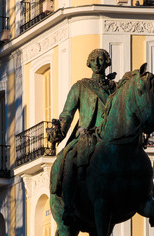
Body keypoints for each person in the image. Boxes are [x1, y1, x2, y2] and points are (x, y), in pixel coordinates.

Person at [48, 49, 117, 210]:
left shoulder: (116, 88)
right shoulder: (81, 86)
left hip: (112, 136)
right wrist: (59, 132)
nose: (97, 62)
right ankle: (68, 206)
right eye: (94, 59)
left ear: (107, 62)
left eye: (101, 59)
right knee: (69, 159)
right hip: (87, 135)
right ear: (89, 64)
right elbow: (67, 114)